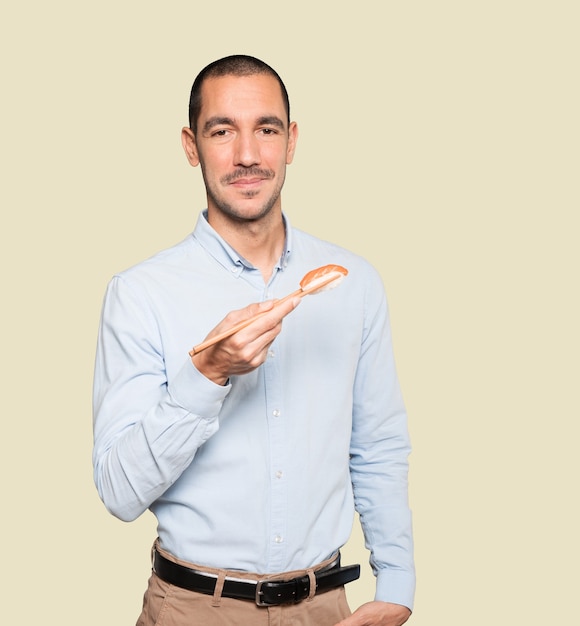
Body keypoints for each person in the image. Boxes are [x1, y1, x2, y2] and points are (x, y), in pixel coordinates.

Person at [92, 54, 415, 626]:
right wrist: (205, 376)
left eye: (265, 129)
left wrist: (397, 582)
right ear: (191, 146)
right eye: (223, 131)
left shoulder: (354, 282)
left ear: (290, 141)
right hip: (193, 610)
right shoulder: (140, 293)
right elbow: (119, 492)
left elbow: (378, 446)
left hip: (326, 609)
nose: (247, 155)